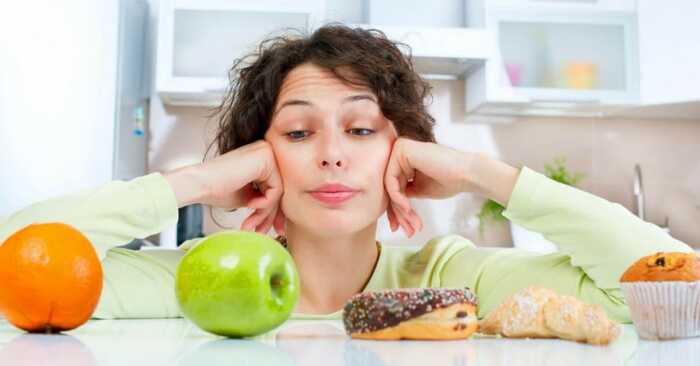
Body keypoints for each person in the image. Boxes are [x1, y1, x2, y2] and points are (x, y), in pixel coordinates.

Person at [0, 25, 691, 321]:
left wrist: (484, 173)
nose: (332, 154)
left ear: (406, 158)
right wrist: (194, 182)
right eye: (298, 133)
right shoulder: (199, 283)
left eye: (362, 131)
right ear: (260, 163)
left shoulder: (456, 279)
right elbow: (14, 270)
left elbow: (673, 287)